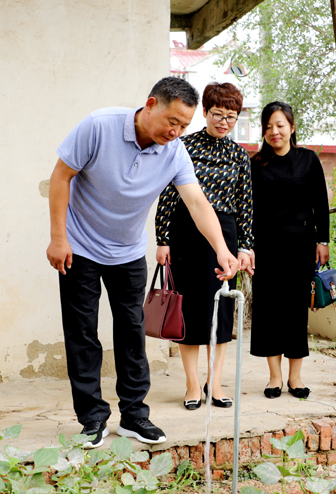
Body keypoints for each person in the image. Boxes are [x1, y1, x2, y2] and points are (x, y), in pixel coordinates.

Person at [46, 77, 238, 449]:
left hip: (129, 252)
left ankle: (134, 415)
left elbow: (197, 203)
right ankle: (92, 418)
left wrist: (221, 248)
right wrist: (58, 237)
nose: (176, 131)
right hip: (79, 247)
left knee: (132, 333)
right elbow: (61, 175)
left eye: (184, 125)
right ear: (150, 105)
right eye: (172, 121)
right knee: (82, 333)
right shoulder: (99, 126)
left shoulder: (174, 151)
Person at [155, 82, 253, 411]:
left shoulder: (239, 155)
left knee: (221, 311)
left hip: (224, 236)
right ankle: (192, 384)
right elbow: (168, 195)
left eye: (231, 117)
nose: (224, 122)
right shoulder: (183, 146)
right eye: (217, 114)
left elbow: (245, 205)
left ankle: (216, 381)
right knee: (189, 311)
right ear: (205, 113)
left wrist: (245, 247)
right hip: (185, 233)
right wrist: (163, 239)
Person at [249, 101, 330, 399]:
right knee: (269, 308)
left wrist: (323, 241)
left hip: (301, 244)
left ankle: (296, 377)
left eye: (280, 125)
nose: (275, 131)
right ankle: (274, 377)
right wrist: (247, 247)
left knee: (296, 309)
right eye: (269, 126)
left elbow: (320, 203)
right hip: (266, 246)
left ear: (292, 127)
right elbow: (249, 209)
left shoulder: (308, 160)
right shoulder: (256, 164)